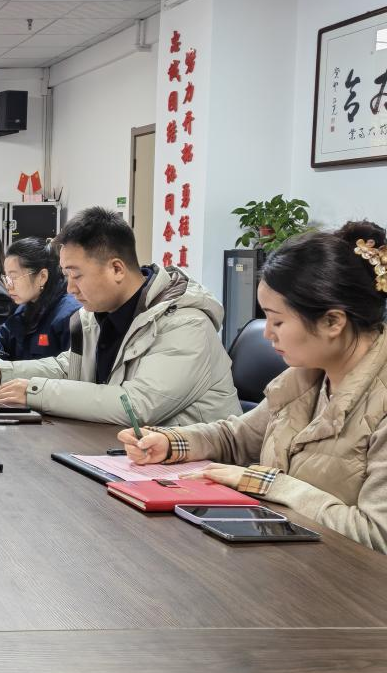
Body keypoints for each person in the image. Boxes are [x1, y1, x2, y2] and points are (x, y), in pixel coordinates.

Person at [119, 222, 387, 553]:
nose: (267, 333)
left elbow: (376, 536)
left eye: (278, 321)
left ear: (333, 321)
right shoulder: (305, 378)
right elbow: (237, 437)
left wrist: (267, 484)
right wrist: (171, 443)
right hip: (284, 556)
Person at [0, 206, 240, 425]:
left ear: (117, 269)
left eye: (77, 275)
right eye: (66, 276)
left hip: (194, 470)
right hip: (125, 452)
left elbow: (136, 406)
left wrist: (35, 392)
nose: (70, 288)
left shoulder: (186, 324)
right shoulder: (97, 314)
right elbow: (69, 366)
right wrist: (2, 373)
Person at [0, 237, 81, 361]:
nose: (8, 286)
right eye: (6, 278)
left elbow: (68, 368)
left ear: (42, 277)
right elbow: (3, 342)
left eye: (13, 277)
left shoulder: (70, 315)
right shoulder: (24, 307)